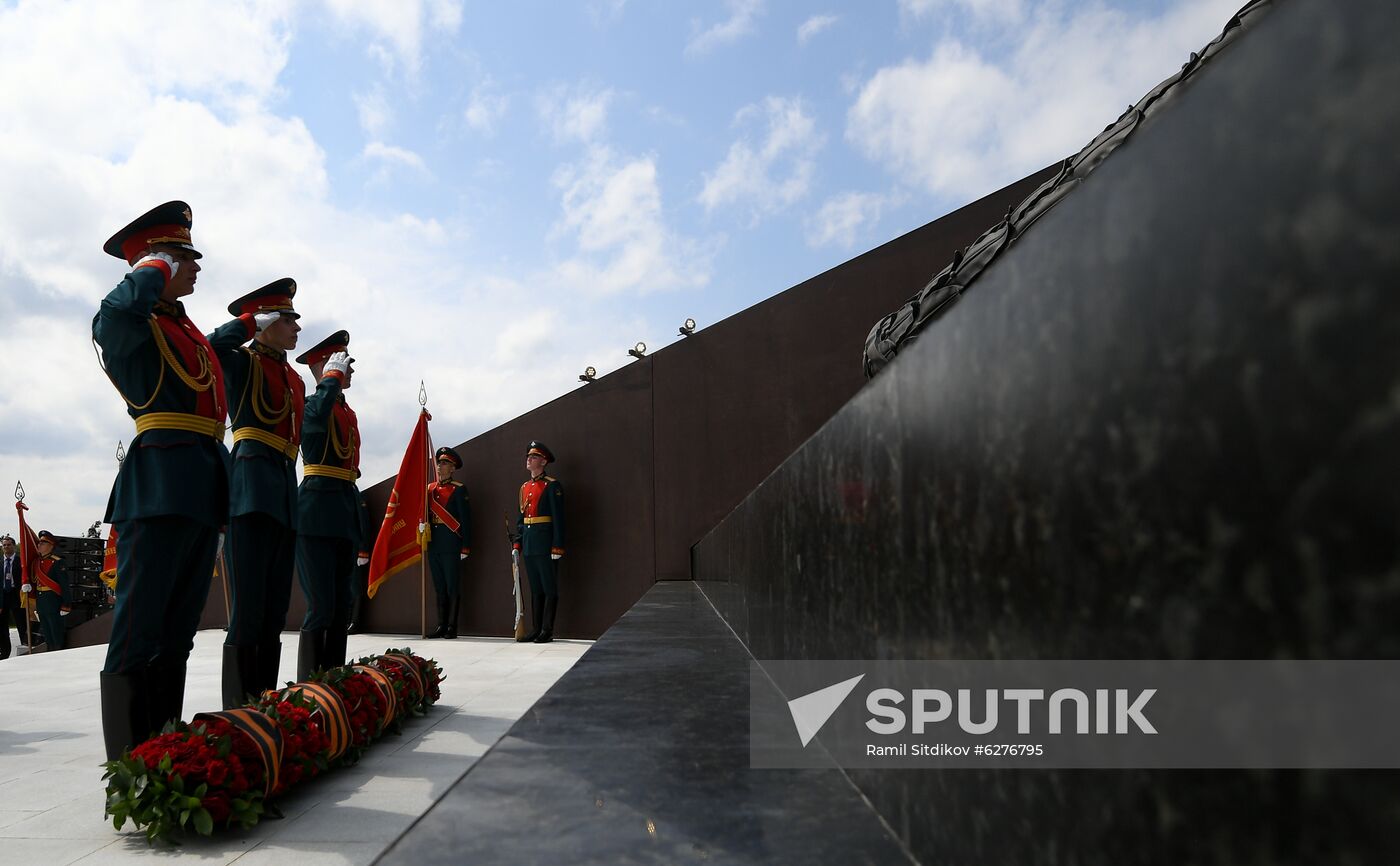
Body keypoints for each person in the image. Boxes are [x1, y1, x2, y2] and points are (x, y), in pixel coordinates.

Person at [92, 200, 248, 760]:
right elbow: (114, 313)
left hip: (201, 483)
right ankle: (129, 769)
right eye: (184, 256)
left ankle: (164, 749)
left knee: (178, 629)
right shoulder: (129, 323)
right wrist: (150, 268)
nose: (197, 267)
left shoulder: (188, 330)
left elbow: (226, 349)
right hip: (158, 482)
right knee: (139, 627)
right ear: (154, 261)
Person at [215, 279, 305, 707]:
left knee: (274, 610)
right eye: (287, 319)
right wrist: (247, 324)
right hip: (250, 487)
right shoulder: (242, 362)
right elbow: (210, 350)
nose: (296, 328)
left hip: (284, 489)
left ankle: (264, 701)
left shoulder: (294, 378)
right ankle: (238, 708)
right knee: (248, 608)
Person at [294, 331, 369, 679]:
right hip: (317, 509)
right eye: (342, 364)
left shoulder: (344, 409)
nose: (348, 370)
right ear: (323, 367)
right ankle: (311, 684)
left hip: (342, 505)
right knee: (321, 606)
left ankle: (334, 677)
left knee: (342, 605)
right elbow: (310, 425)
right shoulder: (313, 403)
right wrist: (330, 380)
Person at [513, 441, 565, 643]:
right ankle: (536, 629)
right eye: (528, 456)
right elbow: (521, 519)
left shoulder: (552, 486)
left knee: (549, 586)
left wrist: (557, 545)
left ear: (543, 461)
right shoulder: (524, 487)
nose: (529, 459)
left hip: (545, 544)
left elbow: (559, 519)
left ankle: (547, 629)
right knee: (535, 587)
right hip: (529, 543)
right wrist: (518, 544)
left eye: (533, 457)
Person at [424, 446, 471, 639]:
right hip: (434, 542)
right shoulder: (430, 489)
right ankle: (441, 624)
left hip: (451, 542)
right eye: (439, 462)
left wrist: (465, 545)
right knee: (439, 586)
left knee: (452, 586)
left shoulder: (459, 490)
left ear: (452, 468)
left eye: (444, 463)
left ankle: (452, 625)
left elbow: (466, 520)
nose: (440, 465)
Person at [31, 530, 68, 651]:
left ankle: (58, 655)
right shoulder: (36, 562)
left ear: (51, 546)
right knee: (47, 634)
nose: (39, 545)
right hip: (42, 603)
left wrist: (66, 605)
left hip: (53, 602)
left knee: (56, 633)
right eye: (39, 542)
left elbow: (64, 585)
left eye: (43, 543)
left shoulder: (57, 562)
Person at [0, 534, 27, 659]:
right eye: (4, 545)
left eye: (8, 545)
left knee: (21, 623)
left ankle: (25, 649)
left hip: (17, 596)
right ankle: (4, 652)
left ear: (14, 546)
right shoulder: (0, 561)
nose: (6, 547)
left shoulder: (21, 561)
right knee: (2, 626)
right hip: (3, 597)